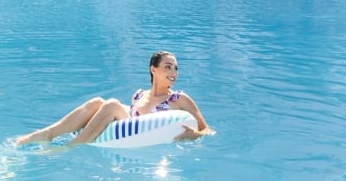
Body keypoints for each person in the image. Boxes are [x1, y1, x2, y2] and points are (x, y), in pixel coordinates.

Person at [15, 51, 214, 146]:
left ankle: (72, 146)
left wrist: (195, 136)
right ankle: (48, 133)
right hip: (128, 134)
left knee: (110, 104)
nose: (173, 72)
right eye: (168, 67)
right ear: (154, 69)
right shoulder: (139, 95)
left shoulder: (179, 99)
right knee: (97, 102)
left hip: (144, 139)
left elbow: (207, 129)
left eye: (175, 68)